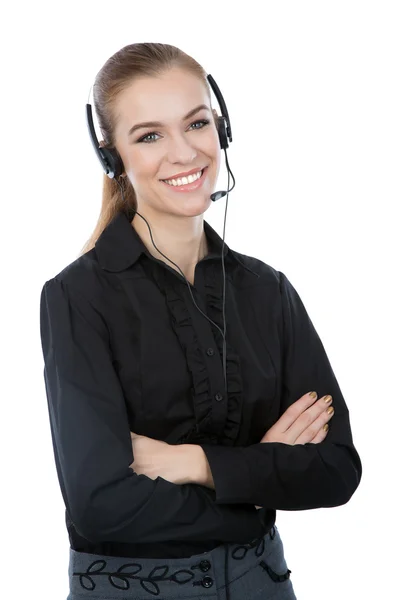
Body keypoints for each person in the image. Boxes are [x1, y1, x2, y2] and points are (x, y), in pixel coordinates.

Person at [39, 42, 362, 600]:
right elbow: (101, 506)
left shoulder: (268, 290)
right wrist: (260, 483)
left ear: (222, 128)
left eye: (197, 123)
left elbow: (335, 470)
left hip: (263, 584)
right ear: (111, 155)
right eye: (149, 135)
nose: (185, 152)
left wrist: (192, 463)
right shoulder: (78, 295)